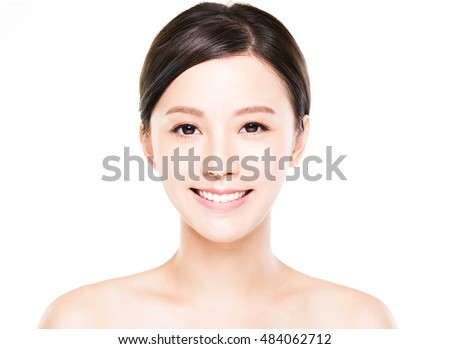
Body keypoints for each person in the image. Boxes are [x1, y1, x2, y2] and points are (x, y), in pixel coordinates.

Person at [38, 2, 396, 328]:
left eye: (252, 126)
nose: (219, 163)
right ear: (148, 142)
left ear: (298, 139)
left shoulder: (358, 325)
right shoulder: (81, 323)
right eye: (187, 128)